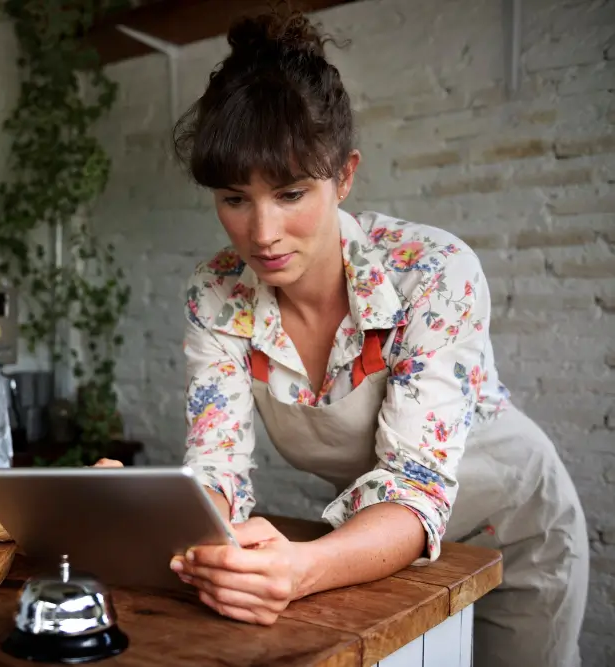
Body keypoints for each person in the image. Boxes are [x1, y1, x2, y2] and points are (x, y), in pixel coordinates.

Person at [94, 7, 589, 667]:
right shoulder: (215, 293)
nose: (262, 233)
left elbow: (414, 483)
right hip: (371, 544)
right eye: (235, 199)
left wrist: (302, 568)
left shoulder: (431, 274)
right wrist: (165, 515)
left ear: (344, 176)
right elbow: (220, 467)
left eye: (291, 193)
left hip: (516, 531)